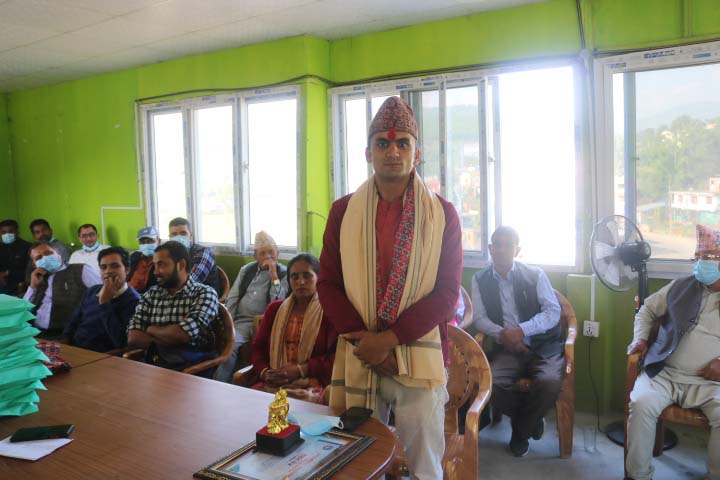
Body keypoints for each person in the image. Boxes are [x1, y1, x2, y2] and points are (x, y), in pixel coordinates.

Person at [317, 96, 462, 479]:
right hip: (359, 352)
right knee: (356, 464)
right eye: (382, 143)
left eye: (402, 143)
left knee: (425, 468)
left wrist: (388, 340)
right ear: (368, 152)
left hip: (418, 357)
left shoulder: (443, 214)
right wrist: (367, 342)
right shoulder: (343, 211)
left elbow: (447, 294)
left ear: (418, 153)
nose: (393, 152)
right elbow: (328, 283)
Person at [625, 224, 720, 480]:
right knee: (640, 403)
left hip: (711, 384)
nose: (701, 263)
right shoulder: (681, 286)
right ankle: (637, 476)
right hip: (664, 373)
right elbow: (646, 309)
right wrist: (640, 339)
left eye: (709, 257)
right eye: (699, 257)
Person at [471, 225, 562, 457]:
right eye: (497, 245)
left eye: (508, 245)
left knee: (550, 383)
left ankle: (520, 432)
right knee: (489, 383)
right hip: (507, 349)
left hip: (543, 347)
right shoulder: (479, 279)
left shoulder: (535, 274)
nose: (501, 250)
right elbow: (479, 318)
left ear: (517, 250)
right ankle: (532, 420)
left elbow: (553, 311)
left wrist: (521, 331)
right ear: (490, 248)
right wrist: (504, 335)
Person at [251, 253, 337, 404]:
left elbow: (336, 358)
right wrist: (265, 373)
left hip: (312, 385)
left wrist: (300, 370)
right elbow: (258, 348)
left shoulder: (329, 312)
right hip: (274, 383)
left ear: (318, 278)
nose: (300, 282)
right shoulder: (275, 310)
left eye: (307, 276)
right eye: (295, 277)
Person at [127, 241, 219, 372]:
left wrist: (149, 329)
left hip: (192, 369)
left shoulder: (204, 293)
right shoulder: (152, 294)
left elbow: (183, 334)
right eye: (155, 265)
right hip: (155, 364)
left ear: (181, 265)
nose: (155, 272)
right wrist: (170, 337)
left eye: (161, 265)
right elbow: (133, 337)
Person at [214, 230, 288, 382]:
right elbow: (233, 297)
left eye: (271, 252)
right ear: (255, 256)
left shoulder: (284, 274)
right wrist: (228, 322)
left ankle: (220, 384)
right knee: (218, 339)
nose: (268, 256)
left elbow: (278, 302)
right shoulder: (246, 270)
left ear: (278, 253)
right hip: (238, 320)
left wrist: (273, 276)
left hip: (259, 322)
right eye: (263, 253)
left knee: (231, 345)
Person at [63, 247, 141, 352]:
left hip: (101, 356)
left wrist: (104, 303)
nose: (108, 271)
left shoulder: (134, 301)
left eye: (115, 266)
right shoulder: (92, 291)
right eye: (103, 267)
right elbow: (73, 323)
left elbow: (121, 342)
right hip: (75, 349)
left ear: (127, 269)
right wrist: (65, 345)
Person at [23, 242, 101, 336]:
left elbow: (102, 296)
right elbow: (24, 310)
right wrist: (33, 287)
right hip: (35, 332)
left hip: (68, 333)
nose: (45, 258)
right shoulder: (38, 278)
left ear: (58, 252)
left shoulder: (80, 269)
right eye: (39, 258)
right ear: (35, 265)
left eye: (48, 253)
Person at [167, 217, 220, 293]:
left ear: (190, 236)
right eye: (174, 234)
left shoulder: (203, 252)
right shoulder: (169, 254)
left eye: (183, 233)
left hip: (203, 296)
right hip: (176, 295)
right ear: (170, 237)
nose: (179, 237)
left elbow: (190, 283)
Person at [0, 219, 32, 295]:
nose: (7, 234)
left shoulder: (27, 247)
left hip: (21, 284)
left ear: (17, 232)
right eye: (3, 232)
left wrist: (7, 273)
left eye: (11, 231)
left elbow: (29, 268)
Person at [127, 226, 161, 294]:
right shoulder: (134, 256)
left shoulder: (163, 260)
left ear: (159, 241)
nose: (146, 245)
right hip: (128, 293)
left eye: (150, 241)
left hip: (148, 295)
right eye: (142, 242)